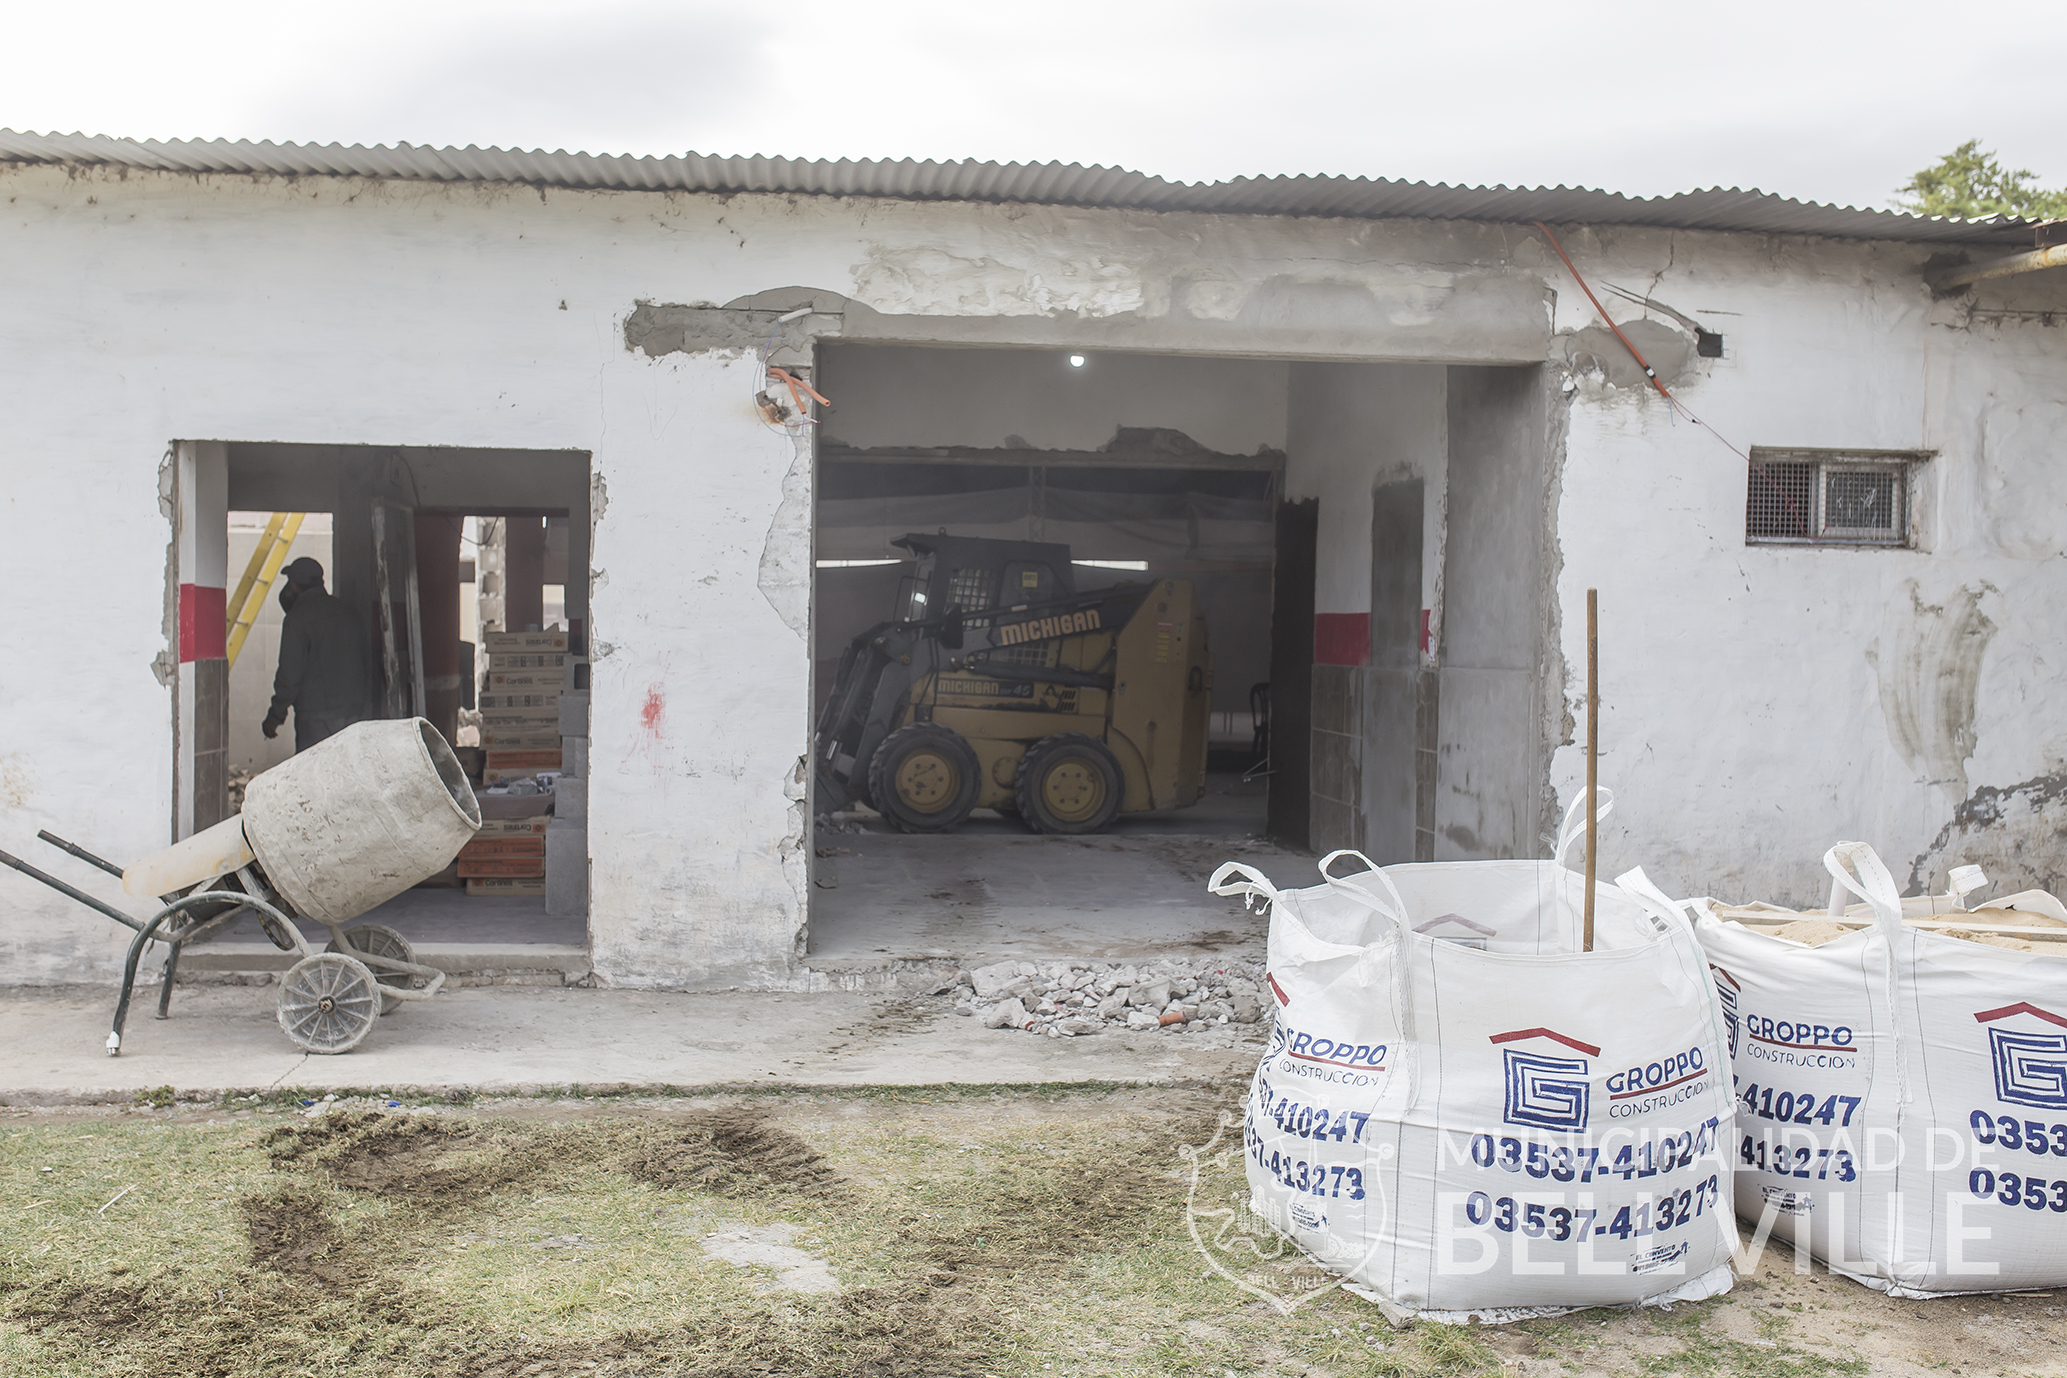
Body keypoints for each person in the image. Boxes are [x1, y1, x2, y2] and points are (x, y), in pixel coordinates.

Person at [262, 557, 370, 752]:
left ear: (294, 584)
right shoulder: (349, 613)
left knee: (317, 768)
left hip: (316, 718)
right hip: (354, 713)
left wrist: (275, 716)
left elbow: (289, 675)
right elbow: (367, 662)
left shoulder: (297, 619)